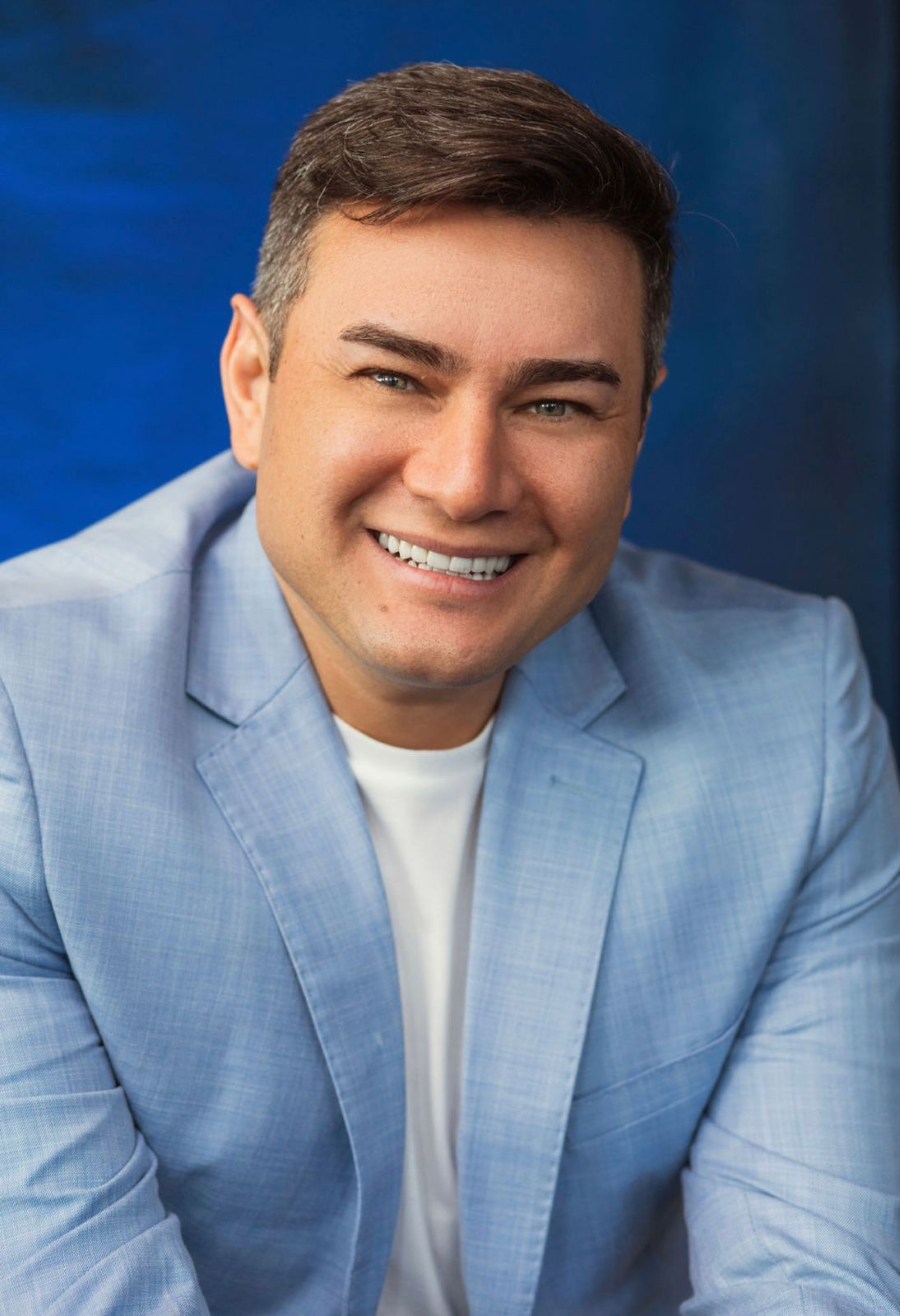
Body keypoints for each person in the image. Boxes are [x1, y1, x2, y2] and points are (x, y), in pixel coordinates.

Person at [0, 62, 897, 1316]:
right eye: (395, 377)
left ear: (637, 429)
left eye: (557, 403)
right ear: (253, 382)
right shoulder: (26, 719)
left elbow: (817, 1285)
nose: (467, 479)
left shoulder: (792, 716)